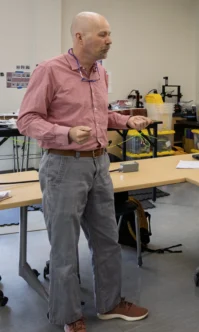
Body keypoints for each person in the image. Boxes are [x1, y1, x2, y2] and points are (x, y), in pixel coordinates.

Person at [17, 12, 151, 332]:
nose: (109, 40)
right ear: (80, 38)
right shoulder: (50, 71)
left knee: (107, 240)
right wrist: (64, 133)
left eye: (109, 34)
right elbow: (27, 120)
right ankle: (68, 316)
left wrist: (125, 121)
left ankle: (110, 303)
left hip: (99, 163)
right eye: (102, 34)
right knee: (64, 248)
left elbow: (100, 115)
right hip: (64, 165)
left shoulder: (100, 73)